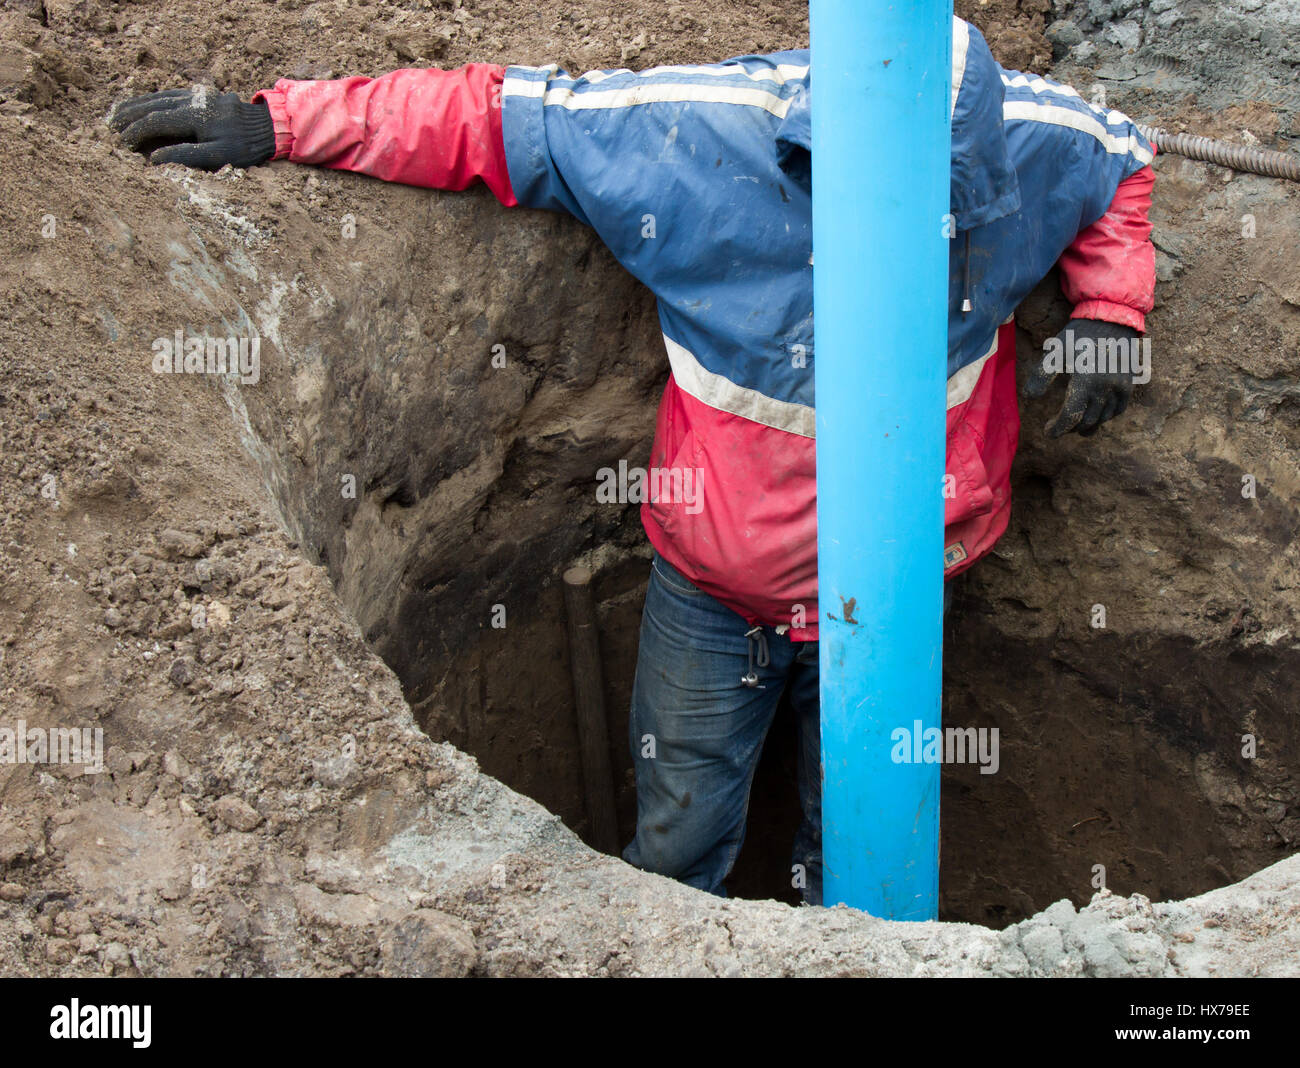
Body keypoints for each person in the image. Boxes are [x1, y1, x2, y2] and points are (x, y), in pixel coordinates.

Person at [111, 17, 1156, 907]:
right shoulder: (689, 144)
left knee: (862, 859)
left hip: (899, 596)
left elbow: (1121, 155)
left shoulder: (1033, 145)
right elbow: (494, 115)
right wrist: (281, 121)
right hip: (714, 592)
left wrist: (1112, 304)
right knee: (675, 849)